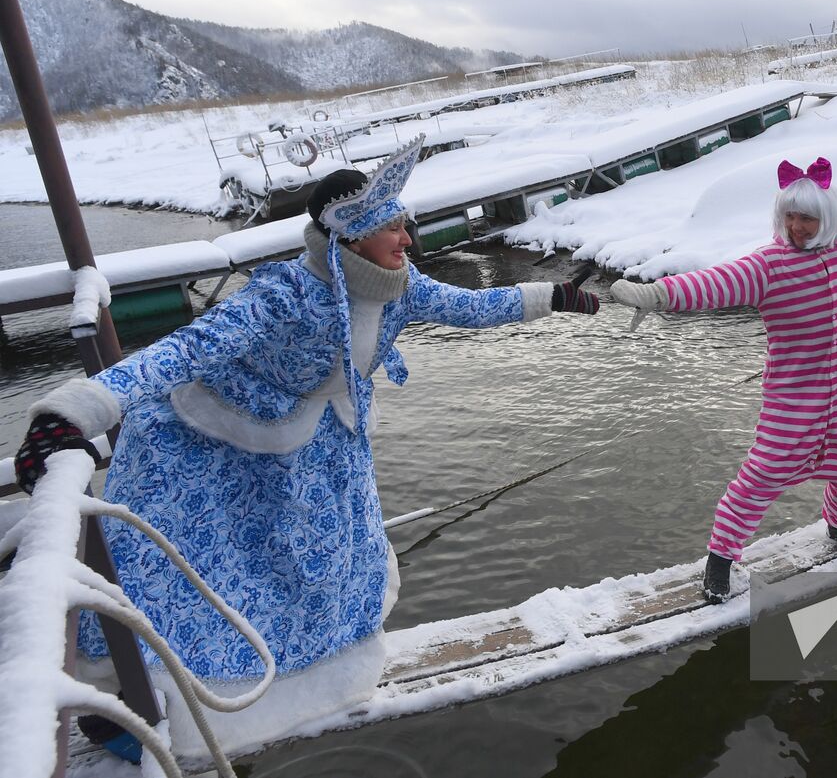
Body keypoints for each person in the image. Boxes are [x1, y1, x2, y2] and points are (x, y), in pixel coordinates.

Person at [13, 136, 600, 754]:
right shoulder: (283, 293)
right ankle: (142, 705)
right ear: (349, 234)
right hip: (214, 448)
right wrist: (77, 410)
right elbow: (188, 348)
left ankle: (308, 689)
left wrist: (554, 296)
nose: (406, 239)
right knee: (195, 580)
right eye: (391, 227)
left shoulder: (400, 283)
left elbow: (470, 307)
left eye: (405, 224)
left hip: (318, 446)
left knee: (320, 566)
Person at [610, 157, 837, 603]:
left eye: (807, 217)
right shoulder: (768, 267)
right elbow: (712, 283)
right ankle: (721, 557)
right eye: (789, 216)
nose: (797, 226)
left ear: (829, 219)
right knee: (763, 474)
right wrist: (656, 294)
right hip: (795, 399)